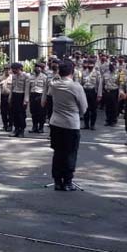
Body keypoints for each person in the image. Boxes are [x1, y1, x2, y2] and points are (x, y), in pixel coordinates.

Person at [43, 62, 87, 191]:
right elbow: (84, 108)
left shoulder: (54, 85)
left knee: (58, 152)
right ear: (72, 72)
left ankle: (57, 181)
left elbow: (49, 96)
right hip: (71, 124)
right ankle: (67, 181)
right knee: (70, 153)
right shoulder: (76, 87)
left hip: (56, 122)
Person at [8, 62, 31, 137]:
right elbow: (12, 88)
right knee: (14, 113)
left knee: (21, 114)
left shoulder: (26, 76)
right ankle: (16, 129)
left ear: (19, 69)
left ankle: (22, 130)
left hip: (21, 96)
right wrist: (10, 97)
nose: (13, 71)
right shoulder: (13, 76)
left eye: (15, 69)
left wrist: (26, 100)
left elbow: (27, 89)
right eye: (12, 69)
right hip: (15, 95)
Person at [80, 59, 102, 130]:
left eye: (91, 64)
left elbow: (99, 85)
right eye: (88, 64)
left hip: (93, 92)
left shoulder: (97, 73)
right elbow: (81, 83)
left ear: (94, 65)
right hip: (85, 91)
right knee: (85, 109)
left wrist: (99, 95)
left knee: (93, 110)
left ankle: (92, 125)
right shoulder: (83, 72)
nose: (89, 66)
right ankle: (86, 124)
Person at [28, 63, 49, 133]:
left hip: (41, 96)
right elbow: (28, 88)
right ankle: (34, 126)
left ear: (41, 69)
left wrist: (45, 98)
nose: (37, 69)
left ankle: (41, 127)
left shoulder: (44, 77)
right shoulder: (31, 77)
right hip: (33, 96)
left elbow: (46, 88)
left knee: (42, 113)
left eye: (39, 67)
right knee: (33, 112)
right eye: (36, 67)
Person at [101, 61, 121, 126]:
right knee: (107, 107)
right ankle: (108, 120)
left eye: (113, 65)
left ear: (115, 66)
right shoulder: (105, 74)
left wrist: (119, 94)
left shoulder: (118, 74)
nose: (112, 67)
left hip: (114, 92)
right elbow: (103, 83)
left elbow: (120, 84)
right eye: (110, 66)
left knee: (114, 107)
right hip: (107, 92)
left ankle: (114, 120)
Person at [0, 66, 13, 132]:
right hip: (2, 96)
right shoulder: (0, 77)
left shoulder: (13, 77)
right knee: (3, 112)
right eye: (5, 69)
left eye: (8, 69)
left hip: (9, 96)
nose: (7, 71)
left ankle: (10, 126)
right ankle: (5, 125)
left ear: (10, 70)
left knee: (10, 112)